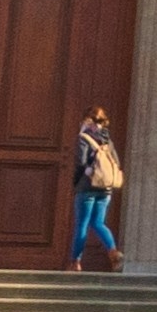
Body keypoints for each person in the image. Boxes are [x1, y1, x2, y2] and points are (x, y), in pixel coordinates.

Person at [67, 109, 123, 273]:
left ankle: (75, 262)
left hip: (87, 187)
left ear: (87, 120)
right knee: (98, 222)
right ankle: (113, 252)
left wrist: (76, 182)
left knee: (82, 224)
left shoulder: (84, 138)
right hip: (105, 189)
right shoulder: (108, 141)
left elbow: (81, 162)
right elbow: (116, 162)